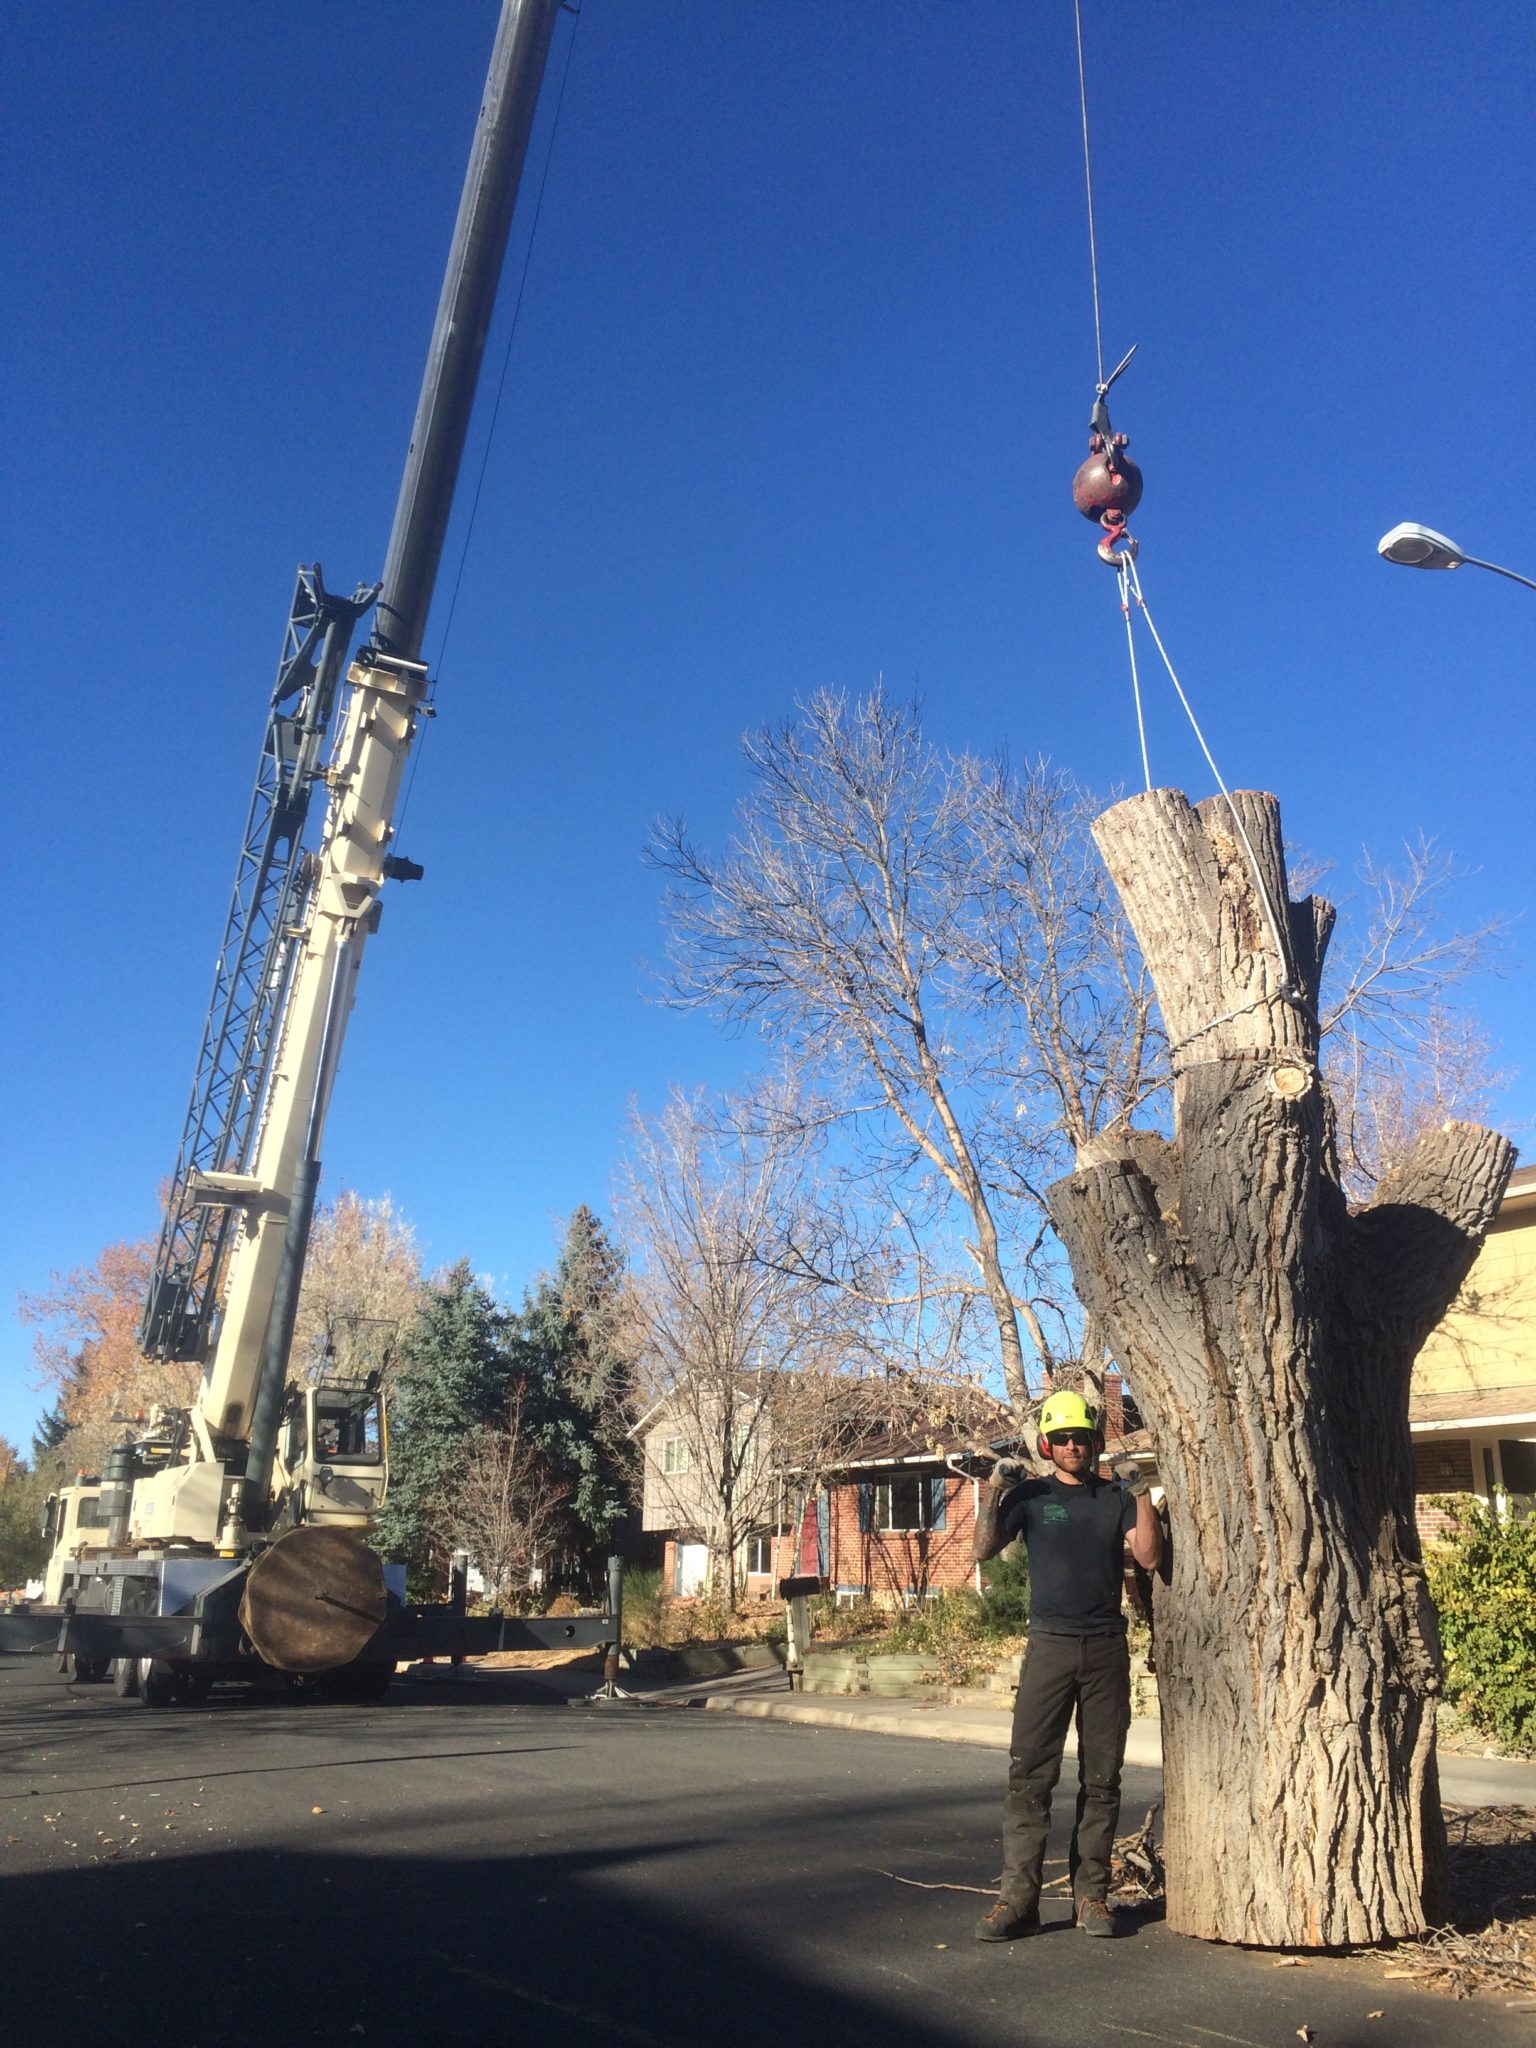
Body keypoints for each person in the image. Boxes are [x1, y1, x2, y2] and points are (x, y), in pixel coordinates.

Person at [972, 1388, 1163, 1941]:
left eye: (1081, 1437)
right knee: (1030, 1775)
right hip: (1049, 1648)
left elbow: (1148, 1556)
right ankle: (1017, 1903)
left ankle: (1092, 1899)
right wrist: (994, 1492)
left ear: (1095, 1442)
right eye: (1061, 1439)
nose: (1073, 1446)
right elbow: (983, 1550)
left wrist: (1143, 1492)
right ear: (1048, 1445)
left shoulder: (1116, 1498)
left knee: (1102, 1779)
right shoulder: (1029, 1497)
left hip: (1104, 1648)